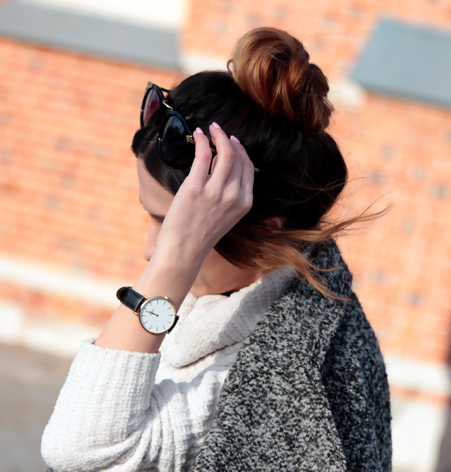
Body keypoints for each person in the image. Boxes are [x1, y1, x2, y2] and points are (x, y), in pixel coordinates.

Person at [41, 27, 392, 471]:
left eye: (175, 225)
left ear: (261, 231)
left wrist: (174, 263)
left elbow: (78, 451)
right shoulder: (224, 304)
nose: (152, 249)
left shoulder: (281, 376)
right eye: (156, 220)